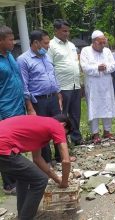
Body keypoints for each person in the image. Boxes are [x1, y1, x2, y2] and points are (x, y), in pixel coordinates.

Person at [0, 114, 72, 220]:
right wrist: (65, 182)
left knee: (24, 177)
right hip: (4, 146)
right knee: (40, 180)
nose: (61, 137)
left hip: (4, 143)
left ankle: (23, 213)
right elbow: (66, 160)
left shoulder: (41, 127)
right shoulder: (57, 125)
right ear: (64, 125)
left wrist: (57, 179)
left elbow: (37, 159)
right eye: (65, 134)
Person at [17, 29, 63, 164]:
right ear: (36, 43)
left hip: (53, 98)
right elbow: (24, 86)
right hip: (38, 101)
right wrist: (30, 108)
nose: (48, 46)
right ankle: (46, 161)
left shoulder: (47, 56)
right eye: (46, 43)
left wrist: (59, 94)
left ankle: (60, 157)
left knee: (57, 126)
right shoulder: (23, 60)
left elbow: (53, 76)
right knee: (41, 132)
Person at [48, 19, 83, 146]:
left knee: (75, 114)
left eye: (68, 31)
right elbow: (49, 67)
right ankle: (62, 142)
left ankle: (76, 138)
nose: (67, 33)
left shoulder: (72, 45)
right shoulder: (51, 46)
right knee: (62, 117)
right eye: (64, 31)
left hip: (75, 85)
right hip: (62, 86)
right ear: (56, 30)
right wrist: (56, 89)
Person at [0, 25, 25, 195]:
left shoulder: (10, 56)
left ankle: (19, 177)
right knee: (6, 148)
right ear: (0, 40)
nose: (13, 42)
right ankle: (9, 185)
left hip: (18, 107)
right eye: (10, 39)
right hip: (5, 109)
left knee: (17, 146)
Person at [80, 30, 115, 144]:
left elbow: (113, 65)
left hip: (106, 84)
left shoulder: (107, 51)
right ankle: (95, 134)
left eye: (104, 43)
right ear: (94, 42)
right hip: (93, 85)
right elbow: (84, 67)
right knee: (94, 108)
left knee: (107, 105)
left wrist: (105, 68)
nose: (102, 45)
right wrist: (97, 68)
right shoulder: (85, 51)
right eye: (100, 43)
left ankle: (107, 131)